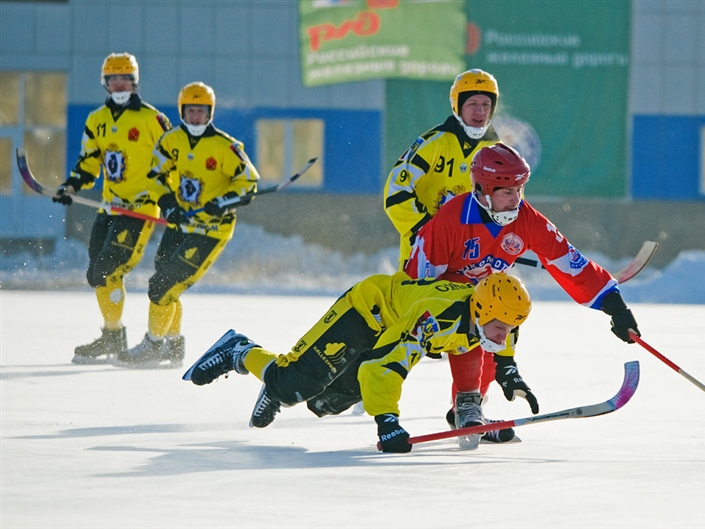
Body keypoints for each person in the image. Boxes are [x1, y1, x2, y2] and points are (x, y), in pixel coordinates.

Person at [404, 142, 641, 444]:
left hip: (481, 296)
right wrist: (425, 322)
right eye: (507, 192)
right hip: (429, 293)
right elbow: (419, 280)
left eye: (520, 190)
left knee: (502, 308)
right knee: (481, 310)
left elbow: (569, 261)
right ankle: (464, 402)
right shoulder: (452, 218)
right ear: (482, 191)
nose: (516, 199)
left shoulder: (526, 220)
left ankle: (466, 410)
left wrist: (615, 305)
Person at [181, 271, 533, 453]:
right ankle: (239, 351)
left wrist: (509, 371)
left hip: (388, 328)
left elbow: (504, 345)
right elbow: (384, 365)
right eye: (501, 328)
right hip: (365, 313)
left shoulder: (492, 318)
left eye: (511, 328)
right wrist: (387, 421)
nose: (504, 336)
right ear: (483, 310)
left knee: (324, 403)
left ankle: (278, 383)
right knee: (295, 386)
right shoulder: (434, 318)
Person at [110, 82, 259, 369]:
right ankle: (173, 346)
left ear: (209, 113)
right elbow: (154, 176)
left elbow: (249, 182)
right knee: (166, 285)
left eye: (200, 112)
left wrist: (226, 200)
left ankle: (154, 345)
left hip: (210, 231)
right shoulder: (170, 141)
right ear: (182, 111)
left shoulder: (226, 147)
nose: (195, 117)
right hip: (181, 224)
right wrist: (167, 203)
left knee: (162, 286)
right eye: (190, 111)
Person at [52, 52, 172, 365]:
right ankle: (113, 334)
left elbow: (172, 161)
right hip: (110, 208)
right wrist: (72, 186)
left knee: (109, 268)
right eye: (113, 78)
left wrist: (173, 199)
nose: (119, 83)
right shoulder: (96, 120)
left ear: (135, 82)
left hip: (140, 209)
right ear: (105, 83)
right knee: (97, 273)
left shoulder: (152, 119)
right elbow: (90, 160)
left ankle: (167, 340)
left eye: (125, 78)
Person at [383, 69, 501, 269]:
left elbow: (509, 207)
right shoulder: (433, 143)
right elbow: (395, 191)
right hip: (421, 259)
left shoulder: (499, 155)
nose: (480, 112)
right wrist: (424, 233)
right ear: (457, 105)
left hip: (471, 265)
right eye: (472, 104)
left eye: (486, 104)